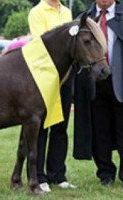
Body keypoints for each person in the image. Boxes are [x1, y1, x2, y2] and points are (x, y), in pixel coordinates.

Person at [28, 0, 75, 192]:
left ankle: (57, 174)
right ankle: (39, 176)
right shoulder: (37, 12)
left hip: (65, 75)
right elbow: (42, 43)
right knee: (41, 127)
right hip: (44, 77)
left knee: (60, 127)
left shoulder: (66, 12)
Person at [74, 0, 123, 186]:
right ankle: (105, 174)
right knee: (99, 130)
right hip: (94, 83)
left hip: (119, 79)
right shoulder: (84, 18)